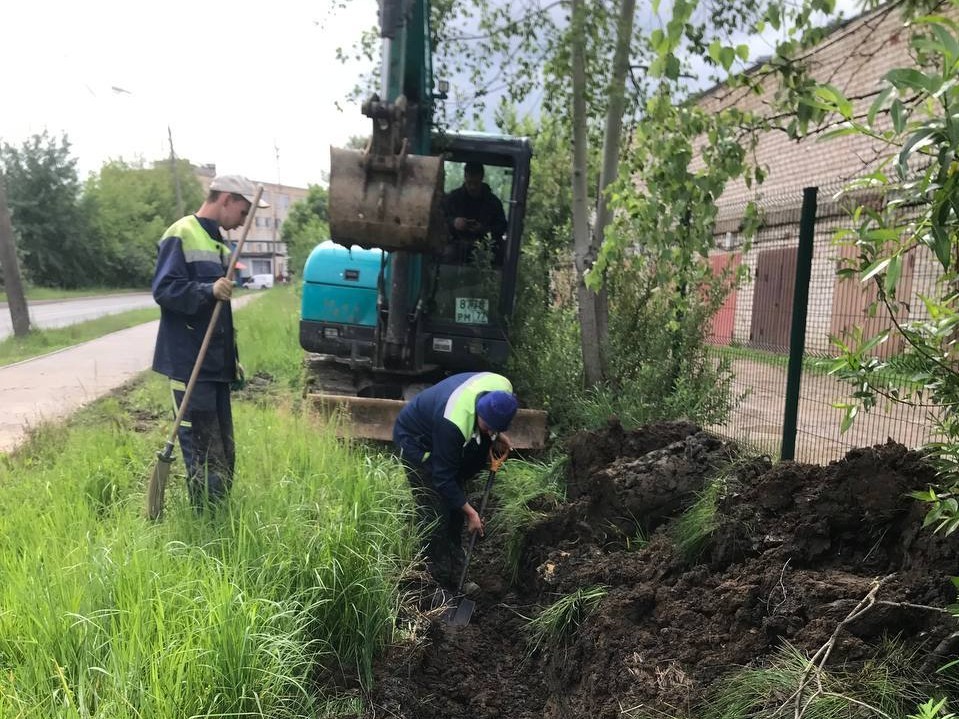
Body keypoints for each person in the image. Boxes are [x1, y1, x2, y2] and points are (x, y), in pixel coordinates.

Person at [151, 174, 268, 509]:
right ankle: (206, 522)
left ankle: (220, 514)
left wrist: (231, 356)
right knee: (202, 447)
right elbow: (164, 290)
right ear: (227, 199)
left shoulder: (221, 244)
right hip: (190, 364)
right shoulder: (181, 233)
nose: (243, 221)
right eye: (244, 212)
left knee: (224, 449)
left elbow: (219, 316)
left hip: (216, 366)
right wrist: (207, 289)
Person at [393, 372, 519, 593]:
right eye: (488, 427)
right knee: (435, 512)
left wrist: (496, 435)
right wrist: (471, 513)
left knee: (454, 509)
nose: (490, 432)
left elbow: (489, 427)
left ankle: (457, 573)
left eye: (495, 429)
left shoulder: (503, 390)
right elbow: (443, 477)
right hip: (417, 441)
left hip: (442, 431)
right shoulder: (453, 422)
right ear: (480, 410)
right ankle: (435, 582)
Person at [443, 162, 508, 265]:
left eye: (476, 183)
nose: (472, 187)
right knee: (446, 254)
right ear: (465, 177)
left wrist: (483, 229)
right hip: (456, 244)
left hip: (485, 247)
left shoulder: (493, 202)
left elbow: (502, 227)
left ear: (482, 178)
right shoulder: (452, 198)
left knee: (501, 254)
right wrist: (454, 222)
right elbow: (439, 218)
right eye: (469, 183)